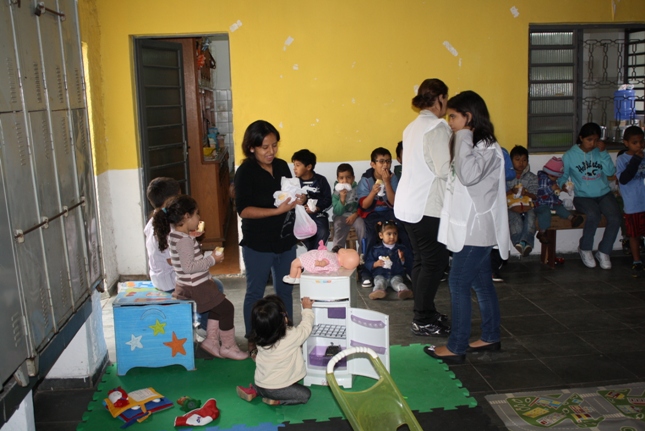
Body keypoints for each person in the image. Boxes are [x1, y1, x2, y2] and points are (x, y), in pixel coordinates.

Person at [426, 90, 509, 364]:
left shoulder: (487, 148)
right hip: (469, 228)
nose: (449, 122)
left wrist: (462, 135)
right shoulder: (473, 143)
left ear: (469, 117)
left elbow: (468, 176)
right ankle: (490, 336)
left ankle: (457, 346)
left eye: (454, 117)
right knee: (481, 283)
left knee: (458, 282)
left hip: (476, 230)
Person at [234, 120, 305, 355]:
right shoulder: (245, 172)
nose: (271, 151)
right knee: (255, 292)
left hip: (285, 240)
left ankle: (286, 335)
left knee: (285, 290)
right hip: (258, 243)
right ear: (252, 147)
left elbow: (289, 194)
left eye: (274, 145)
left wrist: (299, 199)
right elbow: (244, 210)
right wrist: (276, 211)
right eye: (265, 147)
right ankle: (253, 338)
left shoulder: (282, 166)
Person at [152, 194, 247, 360]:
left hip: (191, 283)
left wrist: (196, 245)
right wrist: (212, 259)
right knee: (227, 309)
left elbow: (187, 261)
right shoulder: (184, 241)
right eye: (197, 214)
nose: (199, 218)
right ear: (186, 216)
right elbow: (189, 267)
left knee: (217, 307)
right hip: (195, 286)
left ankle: (211, 341)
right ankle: (228, 347)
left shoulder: (176, 236)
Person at [394, 78, 451, 336]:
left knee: (421, 260)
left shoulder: (412, 127)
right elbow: (444, 169)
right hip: (427, 206)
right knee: (434, 262)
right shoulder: (438, 127)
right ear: (440, 98)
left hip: (409, 204)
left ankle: (425, 311)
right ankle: (422, 318)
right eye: (446, 99)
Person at [558, 122, 622, 270]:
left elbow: (610, 172)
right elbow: (563, 176)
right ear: (581, 138)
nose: (593, 144)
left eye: (596, 140)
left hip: (604, 193)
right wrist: (563, 185)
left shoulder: (599, 152)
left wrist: (604, 153)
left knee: (615, 217)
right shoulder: (569, 156)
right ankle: (585, 248)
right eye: (589, 140)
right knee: (593, 215)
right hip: (583, 196)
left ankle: (604, 251)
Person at [236, 295, 315, 406]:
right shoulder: (290, 336)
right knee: (305, 395)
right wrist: (307, 309)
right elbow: (306, 327)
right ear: (284, 319)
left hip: (261, 383)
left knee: (272, 381)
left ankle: (255, 391)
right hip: (278, 389)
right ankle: (277, 400)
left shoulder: (259, 337)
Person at [357, 147, 411, 287]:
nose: (385, 165)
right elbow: (364, 205)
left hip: (389, 211)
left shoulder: (393, 178)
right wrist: (372, 193)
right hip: (372, 213)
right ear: (373, 164)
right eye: (381, 161)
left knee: (404, 233)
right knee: (371, 237)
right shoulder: (366, 180)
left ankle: (409, 269)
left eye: (388, 161)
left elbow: (394, 202)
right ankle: (366, 273)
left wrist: (387, 182)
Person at [616, 126, 645, 277]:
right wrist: (636, 160)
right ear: (626, 143)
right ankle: (637, 260)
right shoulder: (622, 159)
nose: (639, 145)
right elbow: (624, 179)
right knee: (634, 235)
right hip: (633, 204)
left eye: (641, 142)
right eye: (635, 143)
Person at [534, 157, 584, 243]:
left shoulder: (552, 179)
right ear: (550, 174)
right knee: (545, 213)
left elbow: (554, 193)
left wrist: (560, 190)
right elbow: (539, 193)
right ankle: (542, 232)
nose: (556, 179)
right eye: (556, 177)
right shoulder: (542, 179)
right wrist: (551, 189)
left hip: (552, 203)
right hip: (541, 204)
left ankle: (572, 218)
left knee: (560, 208)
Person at [291, 149, 332, 251]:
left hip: (318, 215)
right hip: (301, 217)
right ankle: (312, 253)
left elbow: (328, 200)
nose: (294, 168)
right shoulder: (294, 183)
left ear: (308, 167)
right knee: (304, 232)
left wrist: (317, 208)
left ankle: (315, 254)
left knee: (323, 231)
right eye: (294, 165)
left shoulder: (321, 180)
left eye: (297, 165)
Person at [364, 221, 413, 300]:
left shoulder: (401, 248)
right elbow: (368, 262)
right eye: (389, 234)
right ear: (381, 235)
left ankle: (404, 291)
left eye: (395, 234)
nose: (392, 237)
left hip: (396, 274)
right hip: (380, 274)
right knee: (379, 282)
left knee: (398, 283)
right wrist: (375, 264)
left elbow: (408, 263)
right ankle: (377, 292)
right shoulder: (375, 249)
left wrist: (402, 259)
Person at [506, 145, 538, 257]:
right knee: (515, 219)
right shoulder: (506, 177)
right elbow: (501, 195)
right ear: (511, 161)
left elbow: (535, 195)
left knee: (531, 218)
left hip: (528, 206)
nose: (521, 163)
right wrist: (511, 191)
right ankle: (519, 241)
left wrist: (526, 193)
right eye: (517, 160)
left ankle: (524, 242)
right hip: (512, 207)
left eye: (524, 160)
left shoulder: (532, 177)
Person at [491, 147, 516, 282]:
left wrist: (495, 173)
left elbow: (511, 174)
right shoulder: (468, 149)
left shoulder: (501, 152)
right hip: (480, 201)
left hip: (498, 199)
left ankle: (493, 269)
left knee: (497, 234)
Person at [283, 243, 360, 283]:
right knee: (299, 266)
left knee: (294, 263)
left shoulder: (332, 257)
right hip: (314, 262)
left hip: (312, 259)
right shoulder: (336, 264)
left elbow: (326, 261)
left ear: (343, 252)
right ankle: (297, 278)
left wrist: (320, 263)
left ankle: (291, 277)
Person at [331, 163, 365, 253]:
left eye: (348, 177)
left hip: (356, 215)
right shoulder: (336, 192)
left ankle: (363, 252)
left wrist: (356, 214)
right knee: (338, 224)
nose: (345, 181)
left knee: (362, 225)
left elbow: (363, 205)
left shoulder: (358, 189)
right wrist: (342, 199)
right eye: (341, 178)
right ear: (338, 179)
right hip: (341, 216)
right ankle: (337, 251)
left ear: (353, 178)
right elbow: (337, 211)